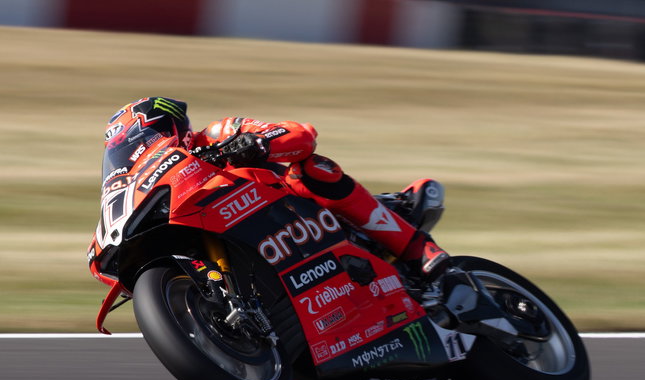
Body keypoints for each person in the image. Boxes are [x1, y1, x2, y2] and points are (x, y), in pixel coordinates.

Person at [114, 96, 450, 279]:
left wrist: (256, 145)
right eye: (129, 151)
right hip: (254, 242)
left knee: (313, 169)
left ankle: (416, 248)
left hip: (296, 215)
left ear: (171, 127)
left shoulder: (219, 132)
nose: (142, 151)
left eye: (148, 138)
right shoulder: (152, 181)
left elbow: (301, 135)